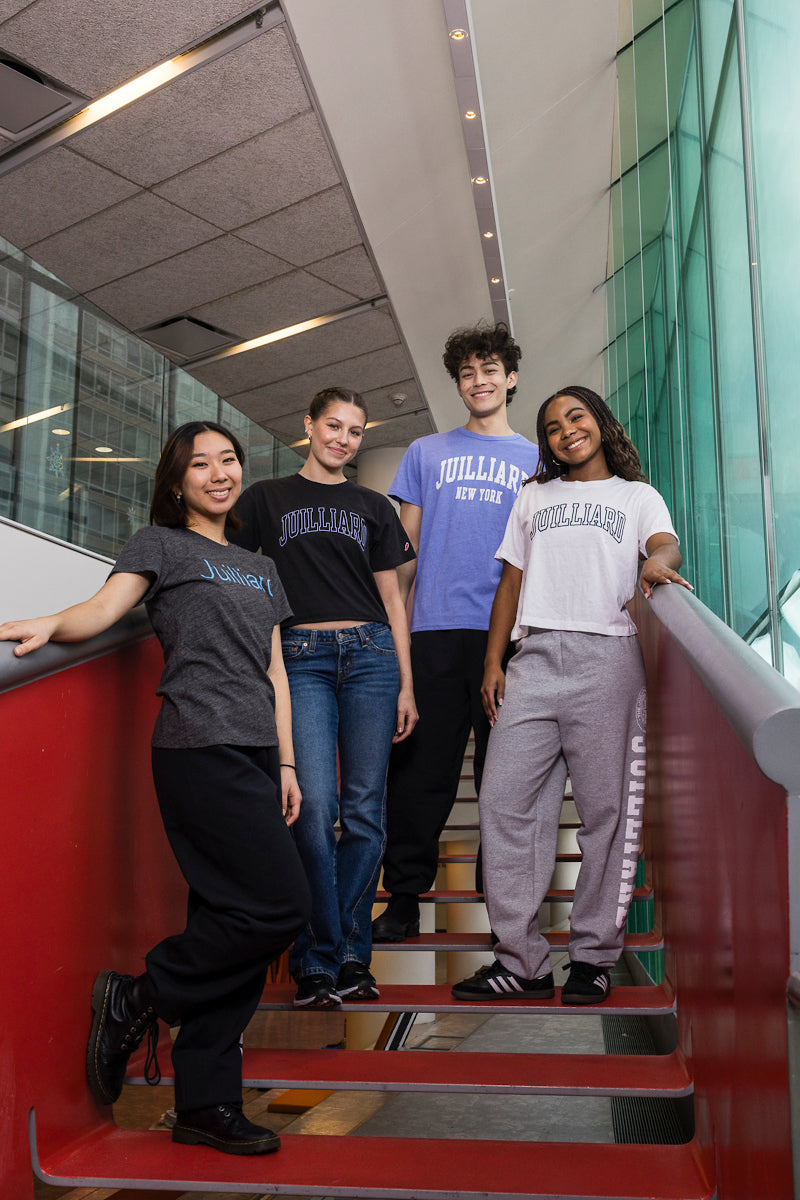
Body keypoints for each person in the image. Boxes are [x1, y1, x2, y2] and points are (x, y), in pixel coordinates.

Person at [0, 421, 311, 1156]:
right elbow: (106, 611)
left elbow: (275, 673)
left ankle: (205, 1104)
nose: (218, 473)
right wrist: (48, 623)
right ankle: (140, 994)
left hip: (259, 752)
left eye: (228, 460)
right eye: (199, 464)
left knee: (231, 916)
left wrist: (290, 766)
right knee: (281, 906)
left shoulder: (262, 567)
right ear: (177, 483)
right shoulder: (159, 545)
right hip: (196, 749)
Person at [452, 386, 691, 1005]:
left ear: (600, 424)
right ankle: (522, 962)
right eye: (552, 426)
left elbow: (664, 543)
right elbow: (511, 583)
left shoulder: (636, 496)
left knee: (607, 814)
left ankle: (592, 955)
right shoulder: (532, 496)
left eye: (576, 417)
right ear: (547, 443)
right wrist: (492, 662)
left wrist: (653, 564)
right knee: (504, 803)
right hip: (532, 662)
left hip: (608, 659)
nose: (565, 431)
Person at [230, 386, 417, 1009]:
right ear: (307, 426)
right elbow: (227, 566)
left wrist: (407, 684)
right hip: (300, 660)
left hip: (371, 658)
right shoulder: (265, 498)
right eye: (332, 426)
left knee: (364, 813)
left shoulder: (372, 506)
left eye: (355, 431)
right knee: (312, 809)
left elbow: (393, 600)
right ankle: (322, 953)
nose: (342, 439)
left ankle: (347, 961)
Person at [372, 321, 543, 943]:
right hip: (436, 629)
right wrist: (386, 618)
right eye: (468, 372)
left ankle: (502, 902)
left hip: (511, 634)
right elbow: (405, 549)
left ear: (511, 378)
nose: (480, 380)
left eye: (490, 369)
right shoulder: (426, 452)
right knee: (420, 772)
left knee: (506, 776)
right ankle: (405, 898)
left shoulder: (537, 459)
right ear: (458, 383)